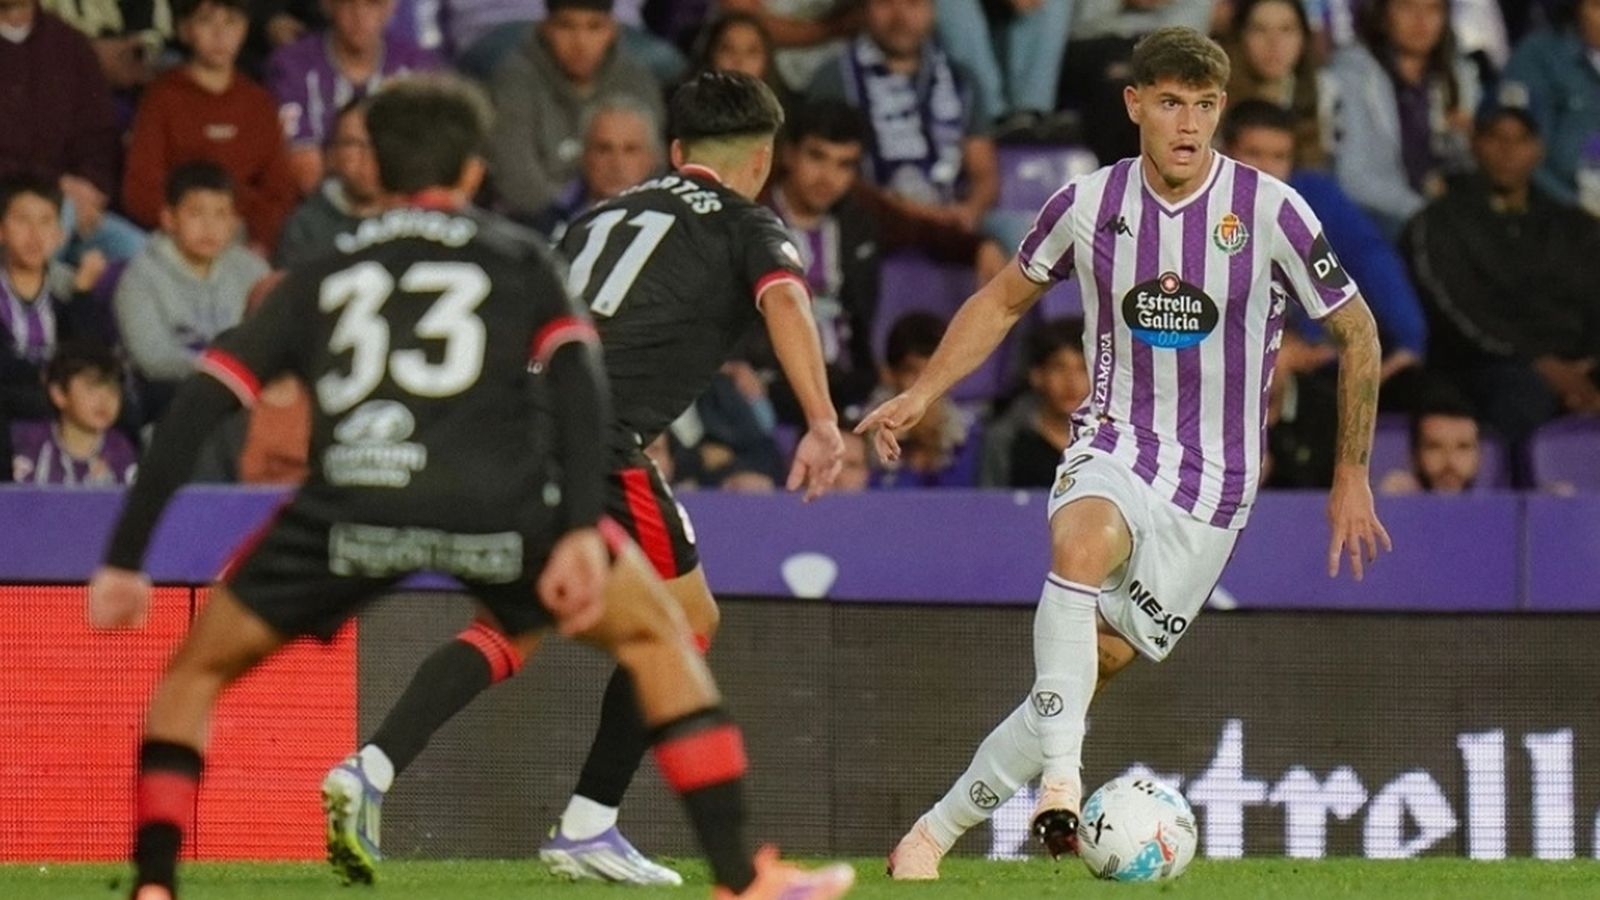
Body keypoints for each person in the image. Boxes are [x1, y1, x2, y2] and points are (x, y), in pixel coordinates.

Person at [86, 73, 854, 900]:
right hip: (544, 470)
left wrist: (127, 557)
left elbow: (207, 393)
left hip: (381, 483)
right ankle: (690, 858)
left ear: (370, 167)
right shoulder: (520, 251)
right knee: (673, 629)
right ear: (474, 172)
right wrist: (816, 419)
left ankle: (169, 875)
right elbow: (594, 369)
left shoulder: (377, 253)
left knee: (201, 673)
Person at [862, 27, 1390, 878]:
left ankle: (932, 833)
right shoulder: (1087, 206)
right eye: (1173, 102)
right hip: (1116, 438)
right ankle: (1062, 784)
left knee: (1085, 674)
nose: (1190, 123)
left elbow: (1358, 332)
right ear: (1135, 104)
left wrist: (1351, 474)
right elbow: (1001, 301)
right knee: (1080, 541)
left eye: (1206, 105)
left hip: (1215, 486)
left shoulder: (1271, 210)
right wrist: (924, 393)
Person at [328, 70, 845, 887]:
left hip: (505, 427)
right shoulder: (750, 224)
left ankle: (371, 771)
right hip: (596, 441)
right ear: (762, 160)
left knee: (517, 618)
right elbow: (784, 301)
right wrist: (821, 421)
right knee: (686, 621)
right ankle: (593, 824)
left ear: (675, 153)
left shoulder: (597, 215)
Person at [1402, 105, 1600, 445]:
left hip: (1578, 362)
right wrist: (1541, 362)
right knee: (1520, 396)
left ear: (1539, 149)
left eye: (1521, 140)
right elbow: (1455, 309)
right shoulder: (1439, 223)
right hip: (1485, 365)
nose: (1508, 151)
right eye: (1496, 138)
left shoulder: (1574, 226)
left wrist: (1587, 364)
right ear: (1475, 144)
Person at [1221, 99, 1430, 407]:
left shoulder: (1314, 197)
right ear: (1224, 152)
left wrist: (1408, 341)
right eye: (1253, 154)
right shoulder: (1199, 209)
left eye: (1279, 157)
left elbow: (1371, 257)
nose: (1266, 169)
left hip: (1317, 362)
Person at [807, 0, 1025, 250]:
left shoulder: (961, 79)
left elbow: (984, 171)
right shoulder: (836, 78)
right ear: (864, 9)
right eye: (885, 4)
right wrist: (916, 214)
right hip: (875, 217)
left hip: (951, 216)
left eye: (913, 3)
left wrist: (970, 210)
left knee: (1019, 231)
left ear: (933, 9)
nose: (900, 17)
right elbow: (830, 170)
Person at [123, 0, 301, 255]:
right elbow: (140, 189)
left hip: (246, 240)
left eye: (231, 22)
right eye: (206, 21)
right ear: (185, 29)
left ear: (245, 29)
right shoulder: (162, 97)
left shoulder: (258, 102)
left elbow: (280, 191)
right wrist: (187, 227)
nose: (220, 35)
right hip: (177, 240)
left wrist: (257, 236)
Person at [114, 162, 271, 421]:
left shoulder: (252, 270)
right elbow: (153, 360)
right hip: (172, 392)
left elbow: (272, 336)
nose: (209, 227)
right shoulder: (140, 278)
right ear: (168, 218)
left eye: (221, 214)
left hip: (245, 386)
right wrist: (224, 370)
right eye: (196, 213)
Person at [486, 0, 664, 219]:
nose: (580, 42)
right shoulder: (514, 79)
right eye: (566, 26)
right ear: (546, 28)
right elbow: (516, 176)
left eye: (594, 27)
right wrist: (565, 222)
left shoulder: (638, 80)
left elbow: (656, 166)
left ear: (612, 30)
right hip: (544, 225)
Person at [0, 0, 145, 263]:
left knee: (140, 252)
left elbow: (99, 135)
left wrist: (91, 187)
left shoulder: (69, 43)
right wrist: (54, 185)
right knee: (48, 221)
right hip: (12, 207)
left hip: (72, 206)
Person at [1329, 0, 1480, 237]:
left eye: (1433, 9)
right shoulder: (1351, 75)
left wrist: (1468, 140)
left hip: (1450, 215)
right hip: (1380, 217)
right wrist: (1423, 212)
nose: (1421, 21)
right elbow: (1353, 178)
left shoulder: (1460, 76)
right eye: (1407, 7)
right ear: (1382, 14)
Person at [269, 0, 443, 193]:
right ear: (328, 6)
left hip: (401, 205)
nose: (359, 17)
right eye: (347, 4)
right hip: (325, 208)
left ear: (390, 6)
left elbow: (430, 161)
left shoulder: (417, 67)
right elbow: (303, 166)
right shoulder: (293, 64)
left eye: (372, 4)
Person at [0, 175, 107, 423]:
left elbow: (92, 352)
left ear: (59, 234)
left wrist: (81, 295)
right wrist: (52, 377)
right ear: (2, 231)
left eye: (46, 222)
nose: (35, 235)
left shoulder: (70, 285)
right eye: (22, 220)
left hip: (61, 390)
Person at [1498, 0, 1600, 209]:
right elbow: (1518, 154)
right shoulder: (1538, 58)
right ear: (1577, 7)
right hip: (1559, 217)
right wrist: (1577, 211)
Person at [866, 311, 978, 488]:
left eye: (935, 372)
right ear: (889, 374)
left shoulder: (970, 437)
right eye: (913, 372)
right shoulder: (861, 437)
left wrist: (933, 451)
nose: (925, 386)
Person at [530, 96, 664, 240]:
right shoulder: (546, 223)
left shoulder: (674, 225)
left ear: (652, 159)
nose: (616, 164)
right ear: (584, 155)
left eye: (630, 150)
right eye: (604, 149)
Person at [1224, 0, 1335, 169]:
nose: (1274, 43)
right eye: (1259, 30)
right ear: (1240, 37)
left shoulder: (1326, 92)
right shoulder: (1212, 94)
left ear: (1304, 39)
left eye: (1286, 30)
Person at [980, 317, 1089, 488]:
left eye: (1082, 369)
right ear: (1037, 375)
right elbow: (988, 505)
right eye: (1059, 367)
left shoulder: (1115, 439)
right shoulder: (1006, 439)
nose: (1071, 382)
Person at [10, 339, 137, 484]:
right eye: (91, 389)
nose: (105, 400)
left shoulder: (121, 449)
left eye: (113, 390)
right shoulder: (27, 441)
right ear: (59, 394)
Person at [275, 99, 384, 267]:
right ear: (332, 155)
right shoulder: (305, 227)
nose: (367, 156)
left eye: (378, 143)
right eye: (353, 144)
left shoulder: (420, 218)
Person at [1378, 389, 1481, 494]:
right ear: (1415, 455)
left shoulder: (1496, 508)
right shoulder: (1397, 498)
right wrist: (1392, 505)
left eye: (1463, 447)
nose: (1450, 461)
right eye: (1435, 447)